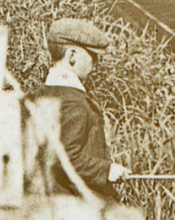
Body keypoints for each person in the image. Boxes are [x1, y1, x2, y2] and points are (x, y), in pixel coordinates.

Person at [33, 19, 130, 199]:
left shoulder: (41, 94)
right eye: (93, 56)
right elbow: (64, 155)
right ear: (72, 55)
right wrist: (106, 170)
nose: (95, 63)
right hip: (77, 203)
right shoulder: (74, 101)